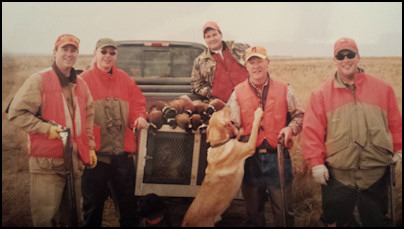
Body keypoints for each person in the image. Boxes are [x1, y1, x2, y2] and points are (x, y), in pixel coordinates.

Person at [302, 37, 402, 227]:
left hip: (376, 173)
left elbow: (395, 123)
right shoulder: (321, 94)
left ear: (358, 57)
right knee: (338, 222)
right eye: (341, 55)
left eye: (350, 54)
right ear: (335, 60)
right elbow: (312, 131)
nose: (346, 59)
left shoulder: (383, 89)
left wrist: (399, 148)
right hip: (338, 175)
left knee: (377, 221)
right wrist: (316, 163)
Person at [7, 34, 97, 226]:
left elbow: (89, 118)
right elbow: (16, 113)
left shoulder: (82, 84)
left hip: (74, 161)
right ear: (55, 52)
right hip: (47, 164)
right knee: (45, 220)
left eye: (73, 50)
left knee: (74, 219)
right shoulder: (38, 80)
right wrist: (45, 129)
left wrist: (90, 147)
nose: (69, 54)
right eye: (65, 49)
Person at [227, 46, 304, 226]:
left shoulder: (285, 88)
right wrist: (230, 130)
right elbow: (232, 123)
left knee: (283, 211)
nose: (256, 66)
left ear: (267, 63)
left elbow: (300, 116)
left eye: (260, 61)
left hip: (277, 156)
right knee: (253, 214)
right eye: (251, 62)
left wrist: (290, 129)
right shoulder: (237, 92)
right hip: (250, 158)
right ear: (246, 66)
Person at [80, 38, 148, 227]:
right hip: (96, 155)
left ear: (116, 56)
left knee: (128, 204)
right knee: (93, 205)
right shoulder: (83, 81)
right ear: (95, 53)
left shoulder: (125, 79)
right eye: (104, 52)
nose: (108, 56)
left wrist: (139, 117)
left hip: (121, 155)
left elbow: (138, 103)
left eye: (112, 53)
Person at [191, 21, 250, 102]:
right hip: (223, 104)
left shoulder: (239, 48)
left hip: (249, 98)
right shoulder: (200, 61)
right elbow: (196, 86)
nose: (212, 39)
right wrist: (214, 92)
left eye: (214, 35)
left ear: (221, 35)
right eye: (208, 36)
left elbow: (257, 63)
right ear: (205, 39)